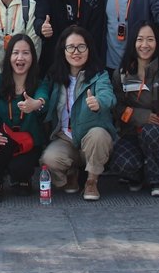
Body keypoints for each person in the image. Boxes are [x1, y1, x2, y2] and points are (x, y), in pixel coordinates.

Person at [39, 27, 115, 201]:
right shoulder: (55, 75)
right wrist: (38, 102)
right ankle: (71, 173)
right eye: (70, 47)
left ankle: (91, 181)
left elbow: (108, 95)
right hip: (65, 137)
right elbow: (42, 90)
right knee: (49, 160)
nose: (76, 52)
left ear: (89, 49)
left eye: (81, 47)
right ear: (63, 50)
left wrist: (99, 102)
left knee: (99, 136)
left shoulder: (99, 75)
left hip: (90, 135)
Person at [109, 24, 159, 196]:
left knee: (151, 132)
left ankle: (158, 180)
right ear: (133, 43)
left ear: (157, 43)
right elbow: (116, 107)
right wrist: (141, 116)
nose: (145, 45)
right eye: (140, 39)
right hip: (131, 131)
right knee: (122, 162)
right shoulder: (121, 73)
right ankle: (137, 176)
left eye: (150, 40)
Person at [0, 35, 50, 202]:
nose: (20, 58)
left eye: (26, 53)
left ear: (33, 57)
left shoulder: (39, 83)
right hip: (2, 142)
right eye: (15, 53)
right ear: (9, 56)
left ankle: (22, 178)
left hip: (28, 142)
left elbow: (43, 97)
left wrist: (36, 104)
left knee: (20, 170)